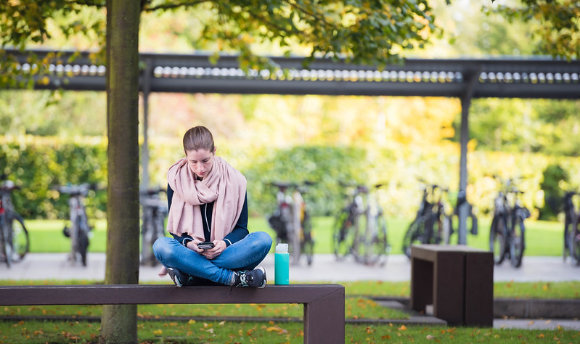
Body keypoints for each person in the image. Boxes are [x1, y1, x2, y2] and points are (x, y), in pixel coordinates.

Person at [153, 126, 272, 287]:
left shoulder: (235, 180)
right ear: (185, 154)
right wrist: (189, 244)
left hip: (226, 254)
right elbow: (176, 232)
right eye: (193, 162)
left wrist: (224, 243)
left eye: (205, 160)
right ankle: (230, 278)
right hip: (192, 253)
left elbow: (242, 229)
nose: (200, 168)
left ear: (214, 151)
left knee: (263, 240)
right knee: (161, 246)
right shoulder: (176, 180)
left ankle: (191, 273)